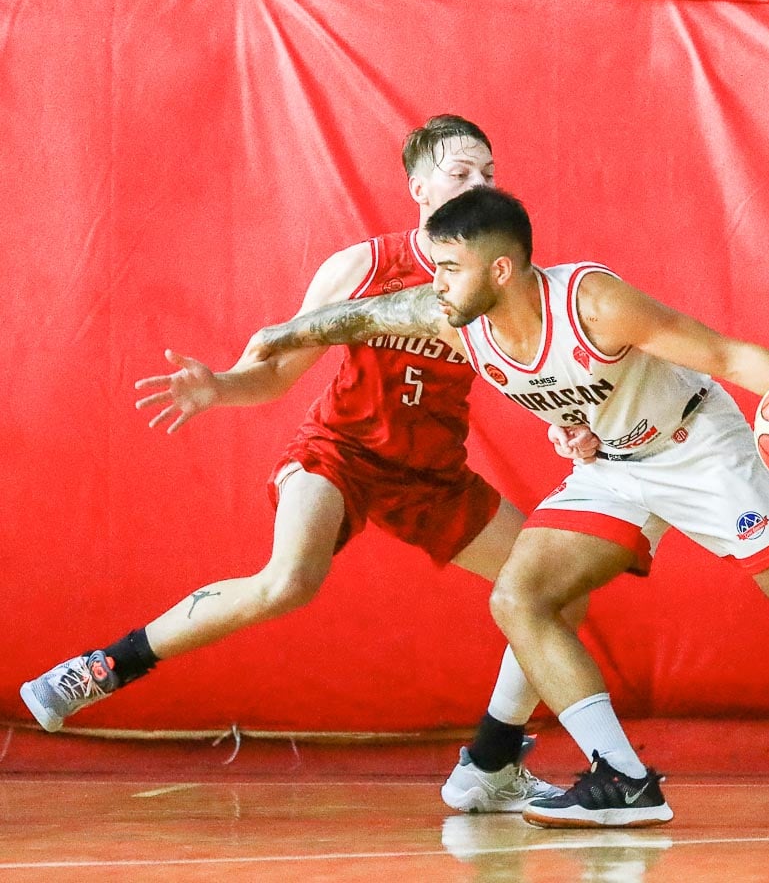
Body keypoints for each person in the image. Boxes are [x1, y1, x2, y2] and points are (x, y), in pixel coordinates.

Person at [243, 185, 769, 827]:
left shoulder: (593, 303)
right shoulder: (455, 315)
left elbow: (722, 352)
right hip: (616, 466)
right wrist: (283, 334)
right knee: (521, 596)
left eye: (450, 267)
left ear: (500, 271)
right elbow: (371, 313)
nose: (435, 282)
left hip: (698, 448)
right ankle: (623, 777)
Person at [19, 116, 599, 814]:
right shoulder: (364, 267)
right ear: (418, 188)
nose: (479, 184)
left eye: (489, 174)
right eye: (461, 172)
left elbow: (532, 371)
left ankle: (491, 763)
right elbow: (273, 373)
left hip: (432, 476)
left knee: (558, 592)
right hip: (342, 453)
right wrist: (220, 386)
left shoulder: (498, 277)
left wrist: (570, 422)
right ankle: (103, 667)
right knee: (290, 579)